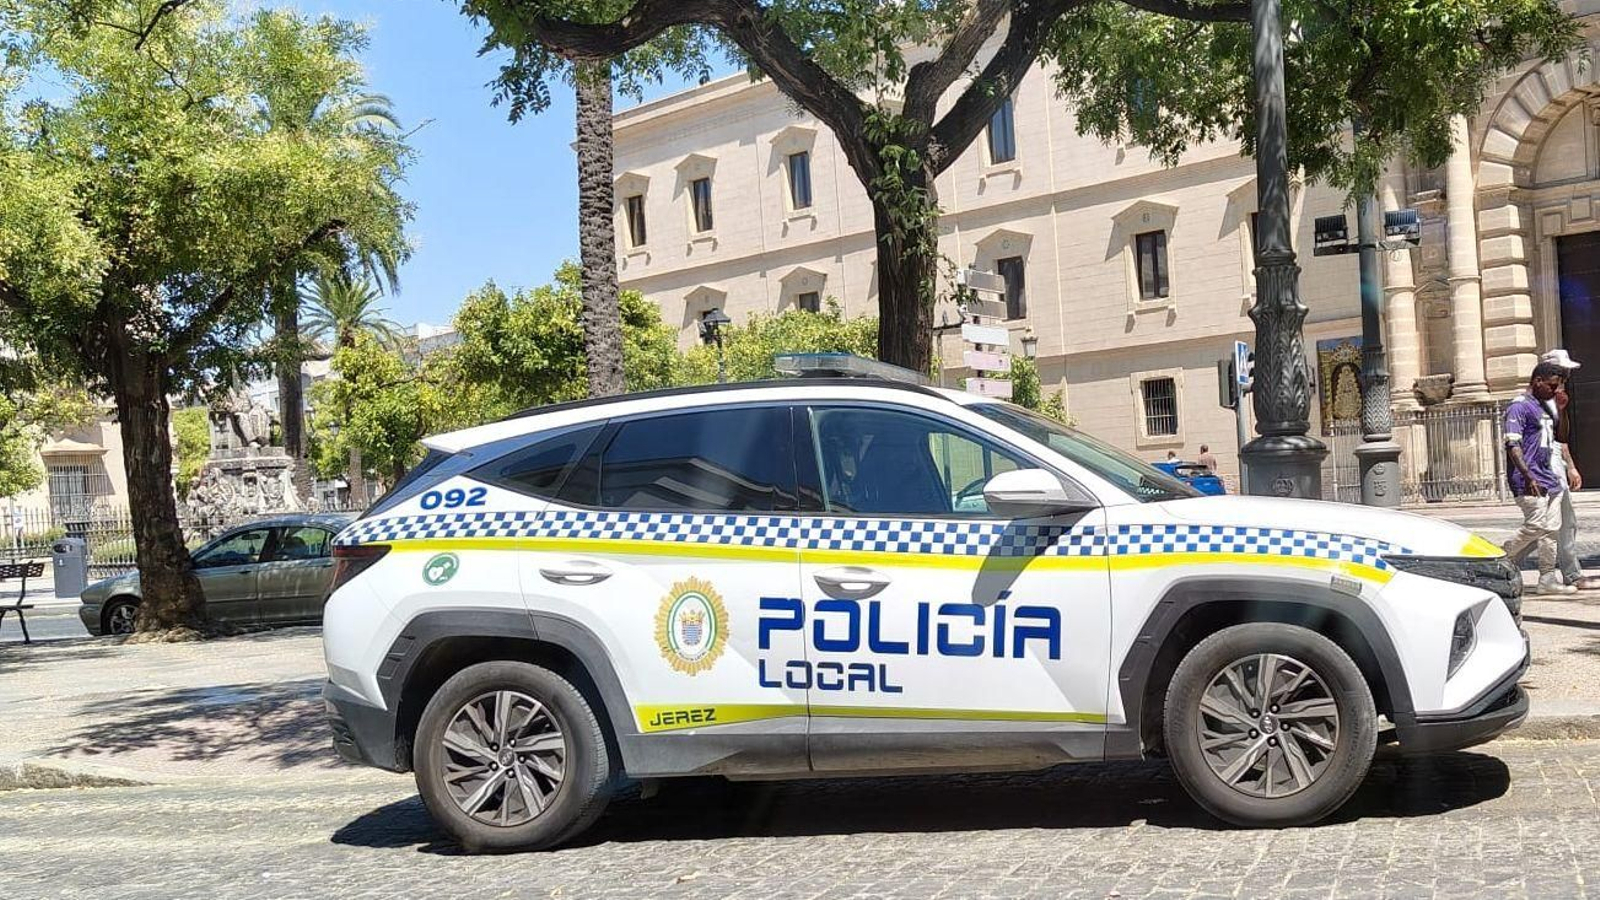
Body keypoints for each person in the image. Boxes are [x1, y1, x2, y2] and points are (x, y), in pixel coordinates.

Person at [1502, 361, 1576, 595]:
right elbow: (1512, 444)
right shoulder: (1519, 406)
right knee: (1535, 525)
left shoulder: (1545, 407)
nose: (1555, 391)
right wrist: (1528, 476)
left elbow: (1561, 437)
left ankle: (1547, 578)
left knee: (1551, 530)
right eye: (1552, 386)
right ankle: (1500, 557)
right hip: (1529, 478)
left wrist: (1562, 410)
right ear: (1538, 381)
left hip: (1549, 477)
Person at [1540, 349, 1596, 589]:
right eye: (1563, 371)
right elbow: (1550, 438)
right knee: (1554, 520)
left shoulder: (1556, 396)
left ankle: (1566, 573)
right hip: (1546, 459)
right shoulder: (1542, 397)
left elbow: (1561, 437)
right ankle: (1568, 574)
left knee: (1559, 520)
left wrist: (1570, 466)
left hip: (1553, 458)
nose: (1567, 375)